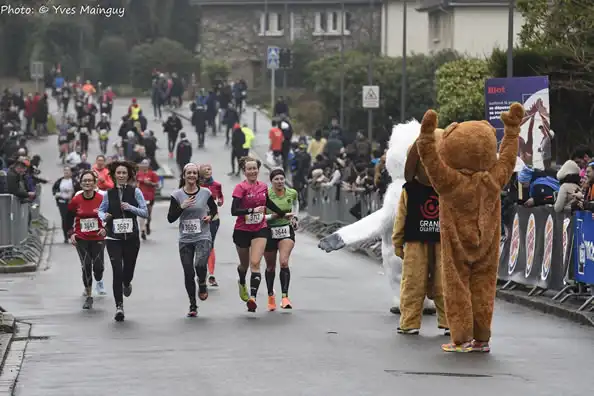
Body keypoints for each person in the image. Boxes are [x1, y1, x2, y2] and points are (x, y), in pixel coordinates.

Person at [231, 156, 289, 312]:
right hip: (242, 230)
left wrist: (283, 213)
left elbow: (268, 203)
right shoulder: (240, 188)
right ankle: (242, 281)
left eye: (255, 168)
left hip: (259, 229)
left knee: (255, 263)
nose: (252, 171)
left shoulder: (263, 186)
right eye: (249, 169)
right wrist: (250, 211)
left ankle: (253, 298)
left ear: (258, 170)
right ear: (244, 171)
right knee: (244, 266)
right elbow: (234, 211)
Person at [98, 161, 148, 322]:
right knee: (117, 271)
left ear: (129, 175)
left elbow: (144, 212)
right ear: (113, 175)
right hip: (113, 237)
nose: (121, 176)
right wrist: (103, 216)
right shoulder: (109, 194)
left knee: (128, 271)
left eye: (124, 173)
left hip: (131, 238)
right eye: (118, 173)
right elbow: (101, 209)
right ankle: (119, 306)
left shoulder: (136, 192)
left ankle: (127, 282)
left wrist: (130, 208)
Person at [167, 163, 219, 317]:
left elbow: (214, 209)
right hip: (185, 238)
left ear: (198, 176)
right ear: (184, 175)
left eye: (194, 173)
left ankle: (202, 283)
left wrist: (210, 216)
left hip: (202, 235)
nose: (191, 176)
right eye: (189, 173)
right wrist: (181, 206)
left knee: (200, 265)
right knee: (188, 271)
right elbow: (170, 218)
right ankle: (193, 305)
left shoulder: (205, 193)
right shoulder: (176, 195)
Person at [67, 170, 107, 309]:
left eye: (90, 180)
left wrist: (105, 228)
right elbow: (68, 216)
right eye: (85, 181)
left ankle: (99, 277)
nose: (87, 183)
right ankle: (89, 296)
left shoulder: (101, 198)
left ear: (94, 182)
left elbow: (109, 215)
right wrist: (71, 233)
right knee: (86, 265)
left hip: (98, 237)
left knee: (98, 267)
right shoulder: (76, 199)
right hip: (81, 237)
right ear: (81, 183)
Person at [263, 169, 298, 311]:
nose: (280, 182)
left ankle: (285, 297)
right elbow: (261, 216)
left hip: (285, 231)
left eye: (282, 179)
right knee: (270, 266)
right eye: (276, 179)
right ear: (271, 181)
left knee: (284, 262)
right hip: (269, 231)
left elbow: (296, 206)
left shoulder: (292, 193)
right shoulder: (266, 195)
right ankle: (271, 295)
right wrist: (273, 217)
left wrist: (295, 218)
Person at [199, 163, 224, 286]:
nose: (208, 171)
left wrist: (220, 202)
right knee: (201, 245)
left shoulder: (216, 185)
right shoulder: (197, 185)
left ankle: (211, 273)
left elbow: (221, 198)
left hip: (213, 218)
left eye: (210, 169)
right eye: (205, 169)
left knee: (210, 244)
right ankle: (201, 271)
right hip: (199, 219)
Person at [52, 166, 80, 243]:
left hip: (72, 203)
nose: (66, 172)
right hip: (62, 202)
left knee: (71, 219)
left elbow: (79, 191)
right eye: (65, 171)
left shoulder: (74, 181)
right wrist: (57, 194)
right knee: (64, 219)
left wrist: (73, 196)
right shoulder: (59, 181)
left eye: (68, 171)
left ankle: (71, 233)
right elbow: (54, 189)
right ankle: (66, 236)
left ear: (71, 173)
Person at [136, 159, 159, 239]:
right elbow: (135, 183)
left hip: (150, 197)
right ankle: (142, 230)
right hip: (141, 197)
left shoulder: (152, 174)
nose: (144, 165)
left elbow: (157, 185)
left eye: (146, 164)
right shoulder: (138, 174)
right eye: (143, 164)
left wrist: (150, 183)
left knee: (148, 215)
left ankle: (148, 224)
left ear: (148, 165)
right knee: (141, 214)